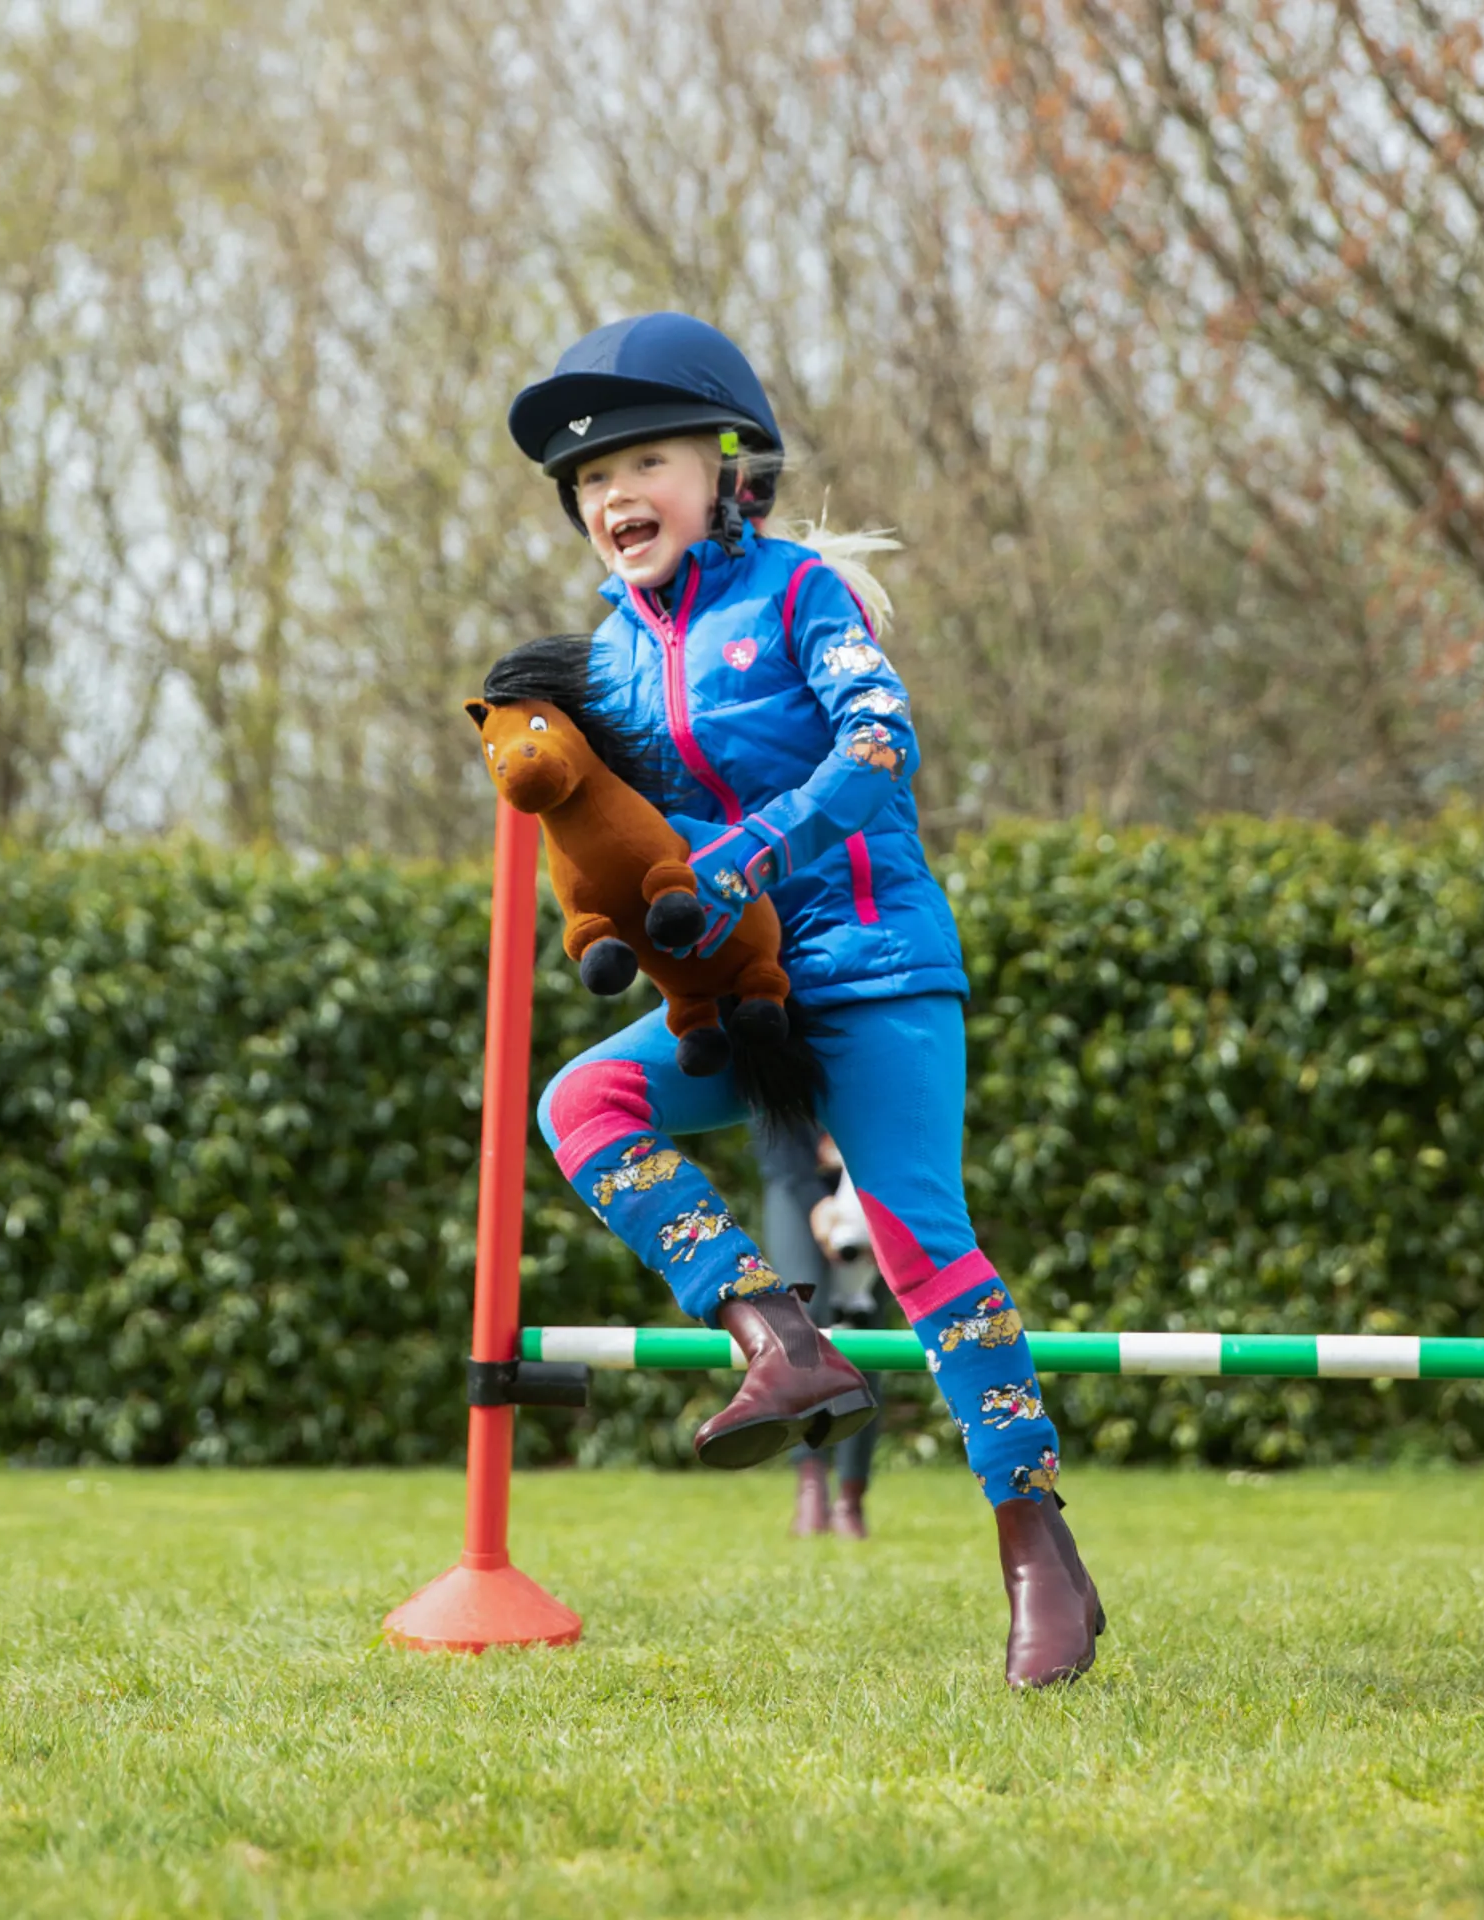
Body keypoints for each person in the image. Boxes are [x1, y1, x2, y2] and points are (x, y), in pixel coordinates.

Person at [505, 312, 1104, 1687]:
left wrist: (744, 857)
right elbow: (619, 827)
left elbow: (881, 744)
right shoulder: (608, 653)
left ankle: (1036, 1545)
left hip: (877, 968)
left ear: (729, 470)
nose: (612, 496)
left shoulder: (796, 594)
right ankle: (780, 1340)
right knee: (582, 1099)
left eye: (642, 463)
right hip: (742, 995)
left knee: (916, 1242)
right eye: (589, 480)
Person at [753, 1124, 883, 1539]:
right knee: (799, 1318)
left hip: (874, 1183)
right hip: (796, 1180)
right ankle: (810, 1484)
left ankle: (851, 1496)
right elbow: (772, 1129)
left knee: (862, 1331)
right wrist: (816, 1202)